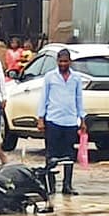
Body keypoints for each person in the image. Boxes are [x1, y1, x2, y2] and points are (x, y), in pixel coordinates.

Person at [37, 48, 85, 195]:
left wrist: (82, 119)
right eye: (60, 61)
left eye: (65, 61)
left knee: (69, 155)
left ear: (70, 62)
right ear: (57, 61)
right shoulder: (50, 77)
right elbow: (43, 98)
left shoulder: (76, 78)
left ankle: (67, 185)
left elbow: (79, 99)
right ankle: (50, 186)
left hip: (70, 121)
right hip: (53, 120)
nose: (63, 64)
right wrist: (41, 118)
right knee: (51, 155)